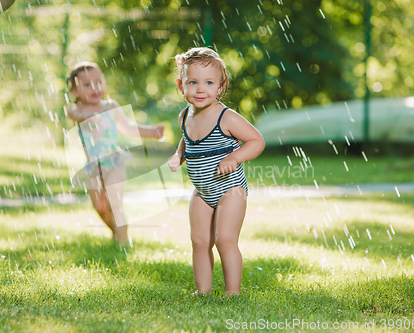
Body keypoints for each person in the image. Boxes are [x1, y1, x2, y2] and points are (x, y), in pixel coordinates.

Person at [167, 48, 265, 295]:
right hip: (202, 191)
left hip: (229, 188)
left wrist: (234, 156)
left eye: (209, 82)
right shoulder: (184, 116)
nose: (201, 89)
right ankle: (203, 291)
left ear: (221, 87)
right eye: (193, 82)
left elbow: (256, 141)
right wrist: (179, 155)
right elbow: (188, 141)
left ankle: (233, 293)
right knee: (199, 241)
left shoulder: (226, 117)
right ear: (181, 86)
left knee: (224, 240)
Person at [67, 61, 164, 245]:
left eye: (98, 82)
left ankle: (122, 243)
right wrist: (86, 114)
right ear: (75, 92)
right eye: (86, 85)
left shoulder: (110, 107)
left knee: (114, 201)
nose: (94, 87)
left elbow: (128, 128)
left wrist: (152, 132)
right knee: (99, 206)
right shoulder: (78, 110)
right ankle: (116, 233)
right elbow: (72, 112)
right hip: (93, 166)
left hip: (114, 161)